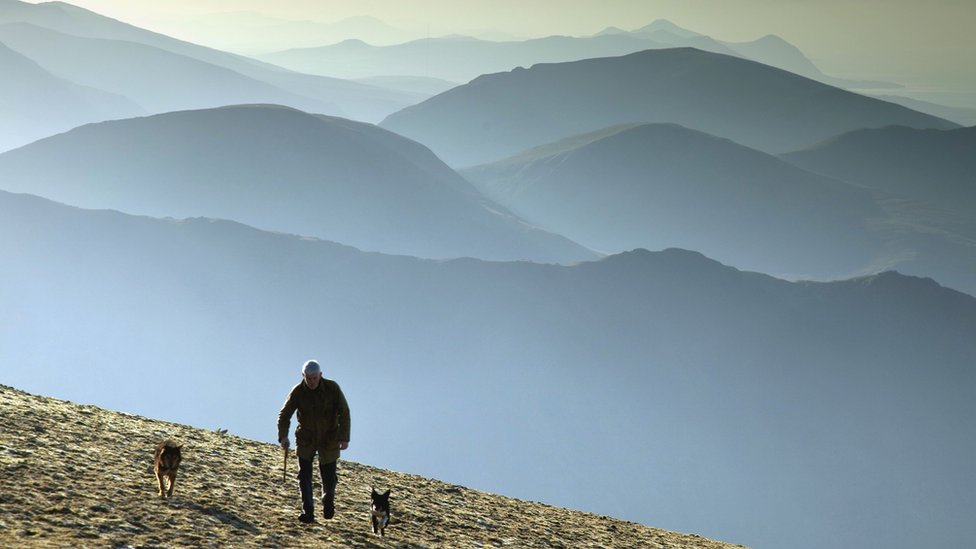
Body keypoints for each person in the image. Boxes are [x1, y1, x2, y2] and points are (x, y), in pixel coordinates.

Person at [278, 359, 351, 523]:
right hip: (306, 438)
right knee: (303, 476)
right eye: (308, 378)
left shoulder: (333, 388)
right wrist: (283, 436)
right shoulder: (297, 392)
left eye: (314, 378)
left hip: (329, 438)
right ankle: (308, 511)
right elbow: (284, 415)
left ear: (320, 375)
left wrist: (344, 437)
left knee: (329, 476)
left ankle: (328, 500)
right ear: (303, 375)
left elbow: (344, 412)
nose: (311, 381)